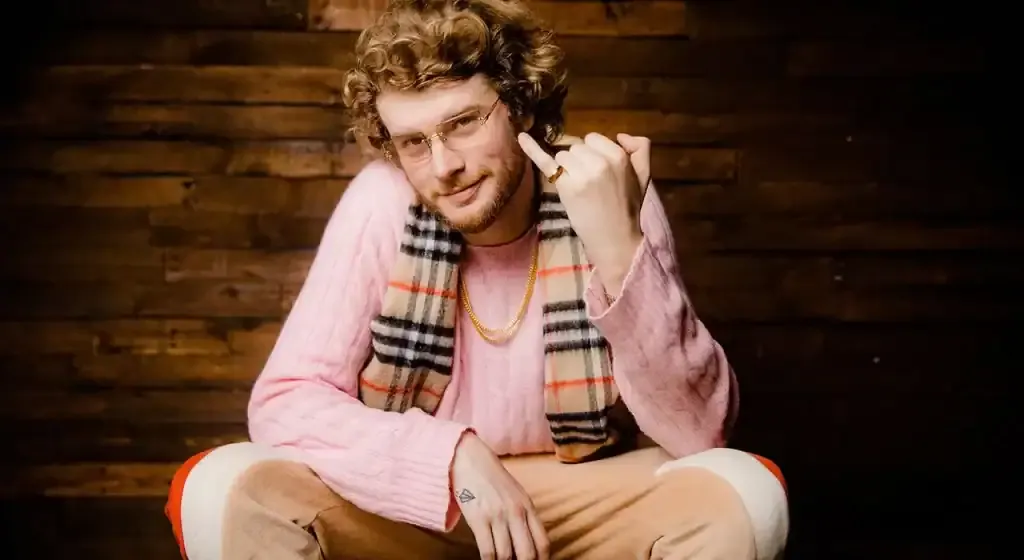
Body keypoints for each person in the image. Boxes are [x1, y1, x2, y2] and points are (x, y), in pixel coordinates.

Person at [163, 1, 789, 558]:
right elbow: (286, 400)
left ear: (519, 105)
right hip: (417, 506)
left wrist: (619, 244)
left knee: (742, 491)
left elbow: (700, 432)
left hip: (585, 497)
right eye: (413, 142)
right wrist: (450, 457)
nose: (444, 168)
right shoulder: (382, 202)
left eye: (463, 122)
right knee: (224, 487)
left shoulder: (602, 189)